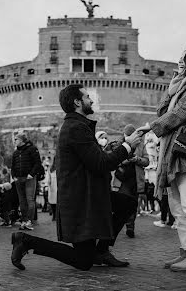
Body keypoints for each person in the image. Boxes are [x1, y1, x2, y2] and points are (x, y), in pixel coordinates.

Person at [10, 84, 141, 271]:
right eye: (88, 97)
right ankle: (26, 240)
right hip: (80, 203)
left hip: (90, 196)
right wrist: (127, 146)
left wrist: (120, 148)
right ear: (77, 102)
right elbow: (100, 164)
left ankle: (101, 250)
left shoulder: (78, 126)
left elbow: (95, 159)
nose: (92, 100)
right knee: (83, 261)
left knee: (127, 203)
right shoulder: (76, 128)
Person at [137, 49, 186, 271]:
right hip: (171, 151)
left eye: (183, 60)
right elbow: (162, 110)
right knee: (177, 206)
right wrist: (171, 89)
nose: (179, 63)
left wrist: (151, 127)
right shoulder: (181, 86)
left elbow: (183, 112)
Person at [111, 124, 149, 238]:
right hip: (122, 179)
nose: (128, 137)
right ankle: (119, 226)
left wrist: (137, 159)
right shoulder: (118, 145)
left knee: (132, 204)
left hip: (136, 180)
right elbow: (112, 161)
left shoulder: (141, 144)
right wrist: (124, 161)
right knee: (122, 203)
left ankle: (130, 226)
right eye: (126, 135)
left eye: (130, 135)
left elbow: (147, 161)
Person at [11, 133, 42, 231]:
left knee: (30, 200)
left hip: (29, 178)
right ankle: (24, 221)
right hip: (18, 179)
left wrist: (31, 174)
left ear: (21, 140)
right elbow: (13, 166)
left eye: (16, 139)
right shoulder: (15, 152)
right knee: (22, 201)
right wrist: (14, 176)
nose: (14, 141)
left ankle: (29, 221)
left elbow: (37, 163)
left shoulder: (32, 149)